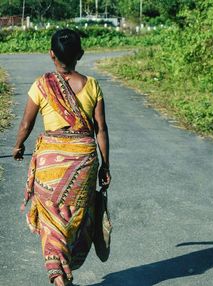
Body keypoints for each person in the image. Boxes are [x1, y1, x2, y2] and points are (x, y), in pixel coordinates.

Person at [12, 29, 111, 286]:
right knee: (72, 219)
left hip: (49, 166)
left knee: (51, 221)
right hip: (84, 163)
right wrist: (105, 165)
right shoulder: (92, 86)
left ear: (51, 54)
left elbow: (26, 124)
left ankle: (58, 276)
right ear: (80, 54)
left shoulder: (41, 85)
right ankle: (63, 272)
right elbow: (100, 128)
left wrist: (18, 146)